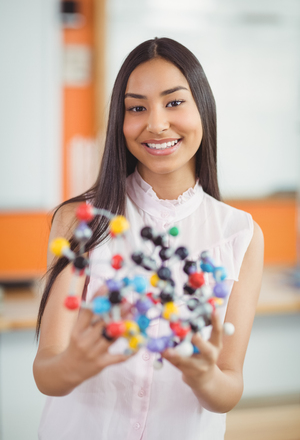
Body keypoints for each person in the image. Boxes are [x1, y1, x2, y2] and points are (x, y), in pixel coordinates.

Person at [33, 37, 264, 440]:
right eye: (136, 108)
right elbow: (46, 371)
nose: (156, 123)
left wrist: (204, 374)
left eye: (174, 102)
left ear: (203, 110)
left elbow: (228, 390)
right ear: (119, 122)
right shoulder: (81, 221)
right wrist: (76, 363)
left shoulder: (240, 234)